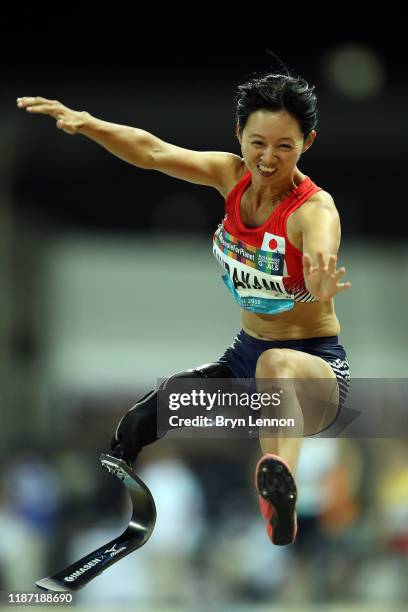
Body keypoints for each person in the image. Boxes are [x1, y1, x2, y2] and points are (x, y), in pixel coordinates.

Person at [16, 70, 351, 546]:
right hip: (243, 360)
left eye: (285, 147)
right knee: (150, 412)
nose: (268, 160)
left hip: (314, 374)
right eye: (258, 143)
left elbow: (322, 246)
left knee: (276, 362)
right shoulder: (230, 176)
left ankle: (280, 490)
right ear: (239, 136)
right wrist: (88, 123)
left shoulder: (314, 211)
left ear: (307, 142)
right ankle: (106, 495)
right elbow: (153, 152)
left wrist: (318, 279)